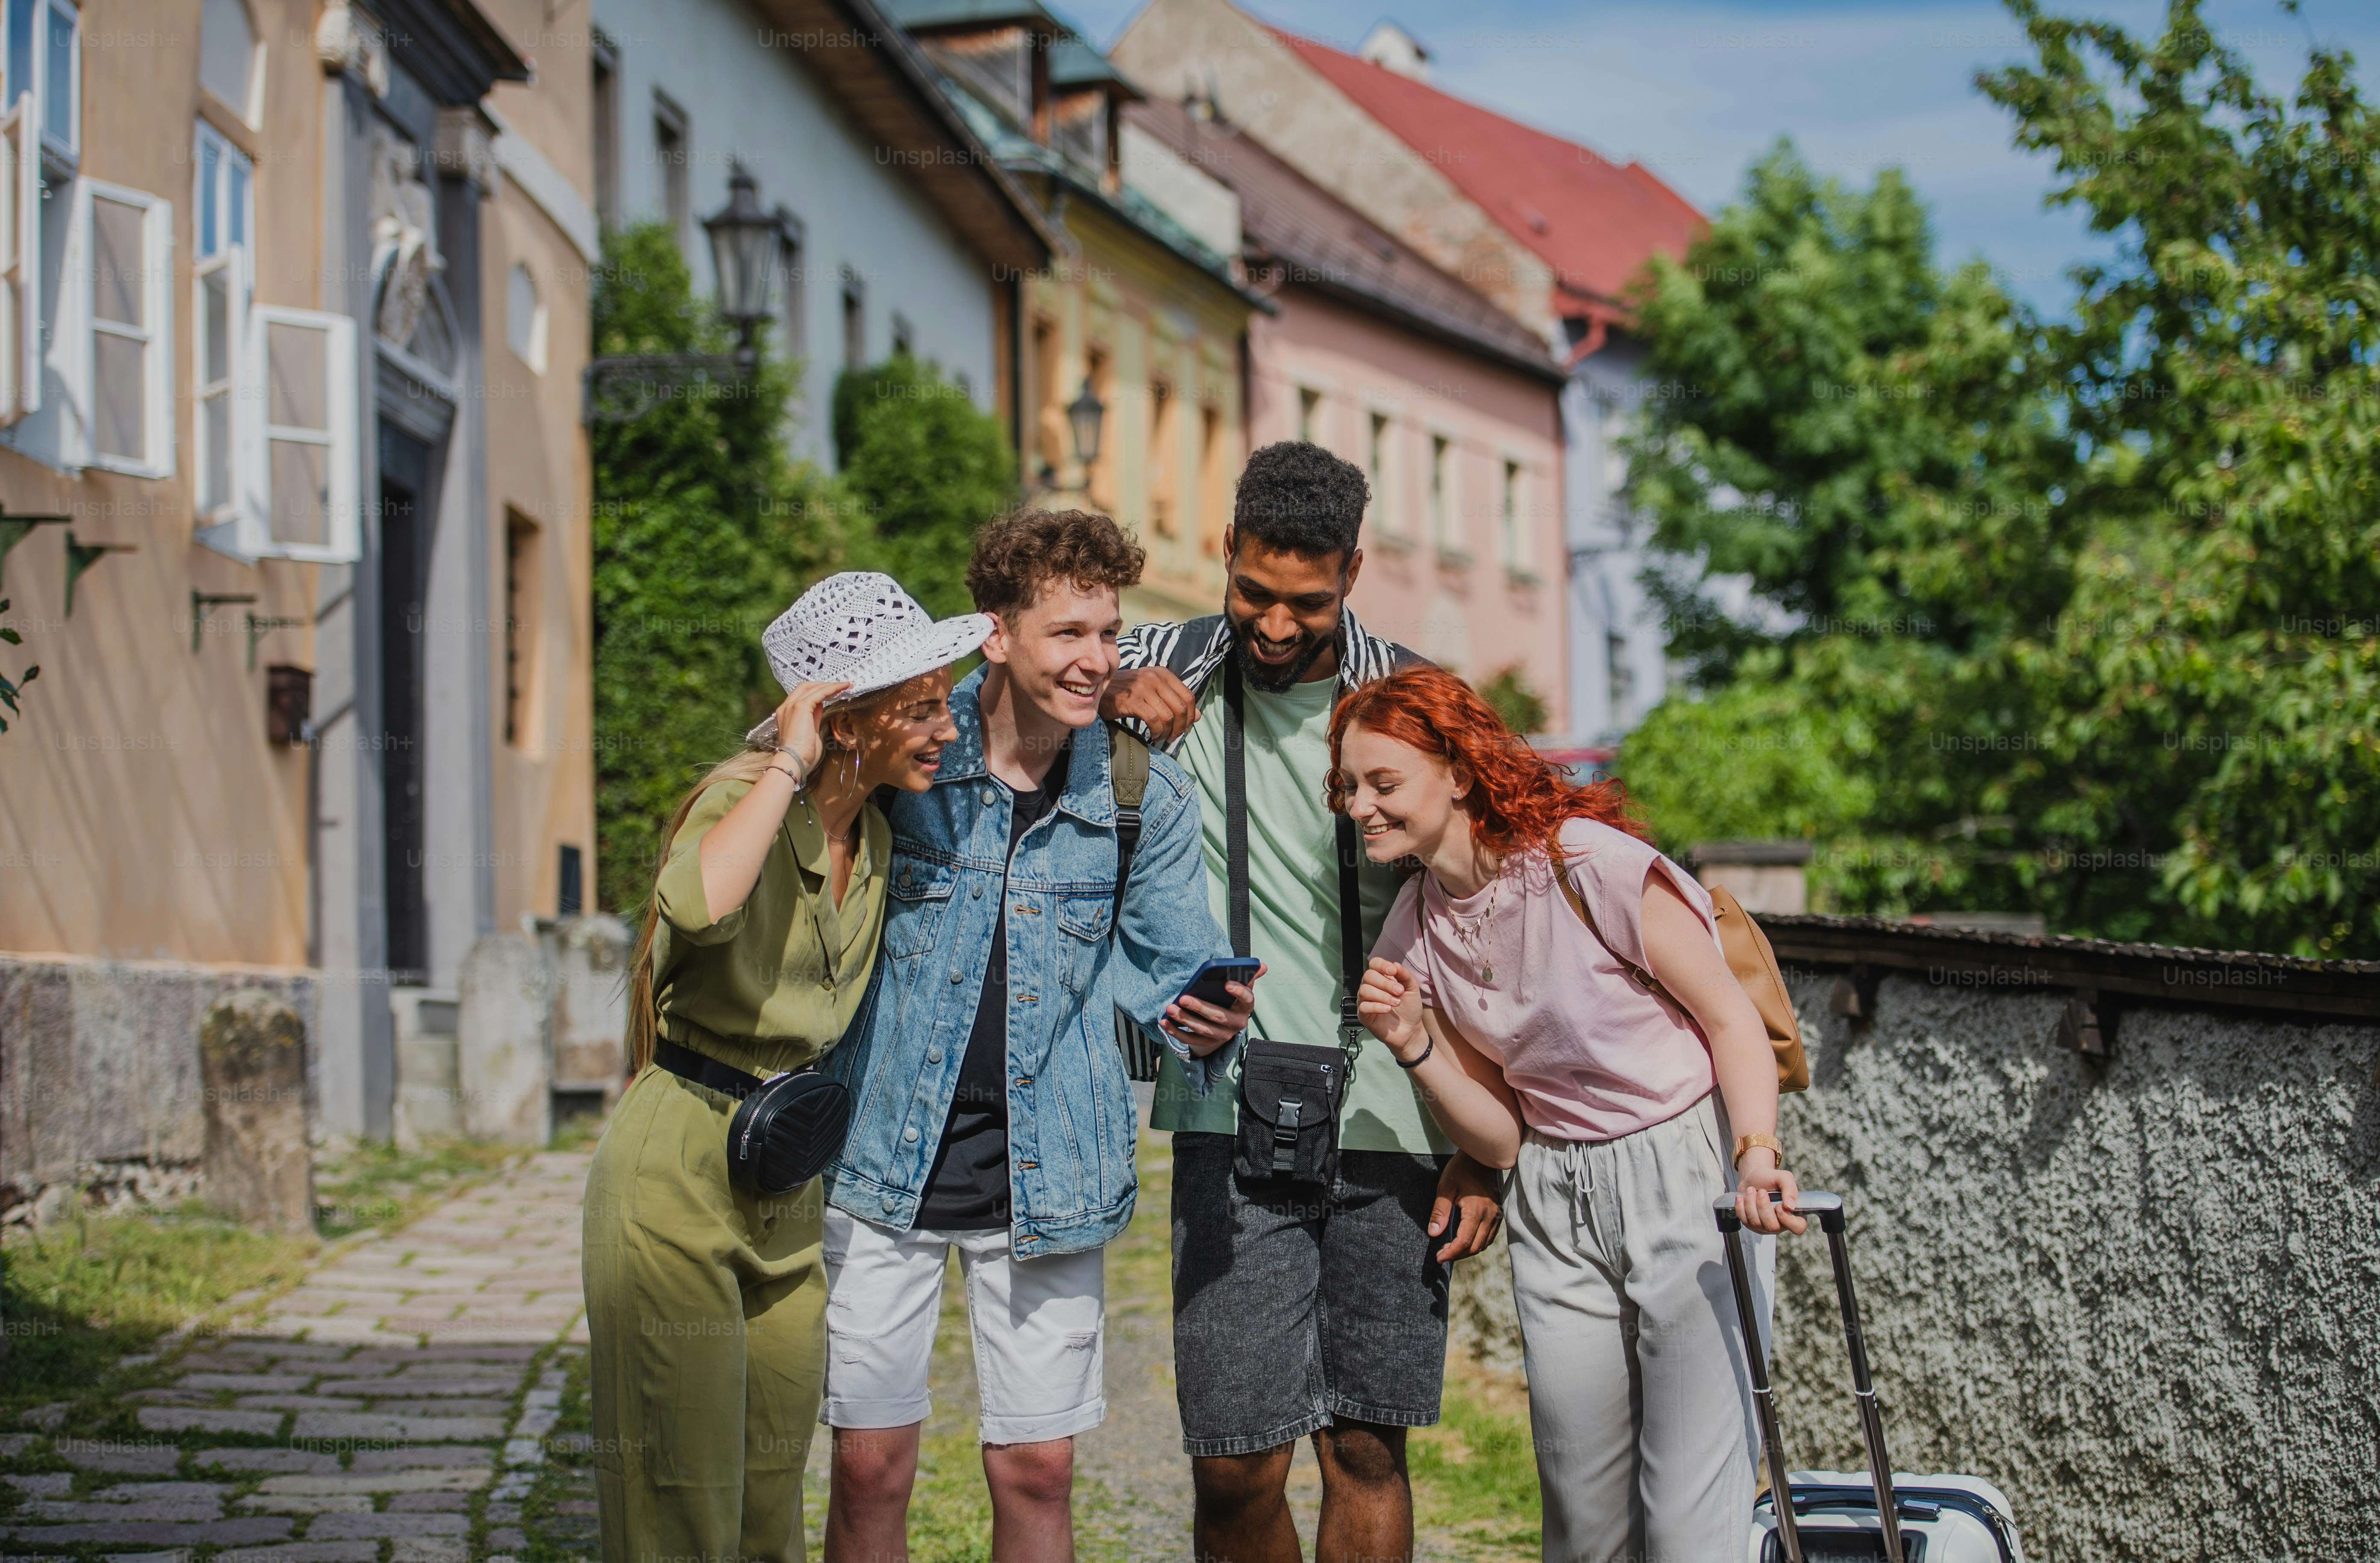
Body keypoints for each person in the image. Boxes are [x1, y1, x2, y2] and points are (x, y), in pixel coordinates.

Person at [819, 510, 1256, 1562]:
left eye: (1109, 634)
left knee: (1038, 1468)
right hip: (885, 1153)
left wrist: (1210, 1013)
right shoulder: (909, 760)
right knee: (869, 1463)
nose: (1096, 660)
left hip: (1051, 1158)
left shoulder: (1141, 792)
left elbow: (1172, 962)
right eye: (1068, 633)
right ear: (996, 634)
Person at [1101, 442, 1505, 1563]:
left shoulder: (1416, 701)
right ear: (1223, 552)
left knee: (1367, 1446)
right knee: (1235, 1459)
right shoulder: (1141, 672)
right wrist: (1106, 715)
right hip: (1222, 1103)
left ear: (1356, 572)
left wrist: (1483, 1141)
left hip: (1395, 1110)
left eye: (1308, 603)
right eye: (1253, 595)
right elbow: (994, 710)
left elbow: (1488, 916)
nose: (1276, 626)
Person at [1333, 664, 1803, 1563]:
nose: (1361, 805)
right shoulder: (1417, 924)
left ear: (1458, 773)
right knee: (1583, 1524)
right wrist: (1415, 1043)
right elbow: (1501, 1135)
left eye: (1383, 783)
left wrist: (1755, 1153)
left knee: (1688, 1521)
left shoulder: (1589, 863)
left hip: (1685, 1171)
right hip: (1553, 1191)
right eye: (1350, 786)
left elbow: (1731, 1018)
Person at [583, 571, 993, 1563]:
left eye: (946, 700)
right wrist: (784, 765)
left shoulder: (884, 835)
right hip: (676, 1170)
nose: (948, 726)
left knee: (769, 1497)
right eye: (923, 705)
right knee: (680, 1499)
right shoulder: (741, 802)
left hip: (785, 1183)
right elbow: (699, 909)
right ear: (848, 720)